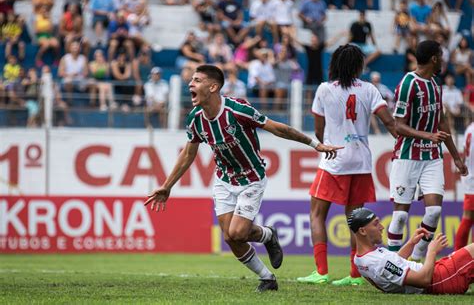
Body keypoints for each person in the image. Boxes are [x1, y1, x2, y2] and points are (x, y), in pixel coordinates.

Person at [144, 64, 342, 292]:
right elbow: (189, 153)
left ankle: (268, 235)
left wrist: (315, 144)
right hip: (224, 181)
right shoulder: (195, 118)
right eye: (191, 80)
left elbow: (277, 128)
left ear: (213, 87)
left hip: (251, 178)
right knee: (229, 238)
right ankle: (267, 277)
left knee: (238, 232)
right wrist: (167, 186)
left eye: (197, 80)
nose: (191, 83)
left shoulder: (237, 109)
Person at [296, 44, 397, 286]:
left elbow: (319, 130)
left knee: (317, 214)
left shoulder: (324, 90)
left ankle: (321, 272)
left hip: (335, 160)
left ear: (335, 64)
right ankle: (355, 275)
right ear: (359, 66)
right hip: (361, 161)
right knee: (355, 219)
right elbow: (389, 122)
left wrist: (327, 143)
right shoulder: (370, 89)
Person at [387, 40, 468, 261]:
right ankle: (392, 264)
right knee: (401, 216)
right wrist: (428, 135)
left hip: (432, 156)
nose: (443, 59)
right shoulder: (408, 84)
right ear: (434, 58)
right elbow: (398, 126)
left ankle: (416, 261)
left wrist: (457, 157)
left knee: (433, 212)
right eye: (441, 55)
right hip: (407, 155)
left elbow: (441, 122)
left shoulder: (435, 84)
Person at [350, 207, 474, 294]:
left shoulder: (359, 259)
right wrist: (431, 251)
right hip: (439, 280)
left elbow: (393, 265)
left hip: (437, 275)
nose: (382, 227)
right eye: (376, 224)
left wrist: (411, 243)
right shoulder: (380, 261)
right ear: (362, 231)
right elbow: (423, 280)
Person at [455, 119, 474, 250]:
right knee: (468, 218)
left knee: (468, 217)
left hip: (470, 179)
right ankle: (458, 255)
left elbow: (463, 153)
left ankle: (458, 255)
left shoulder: (470, 128)